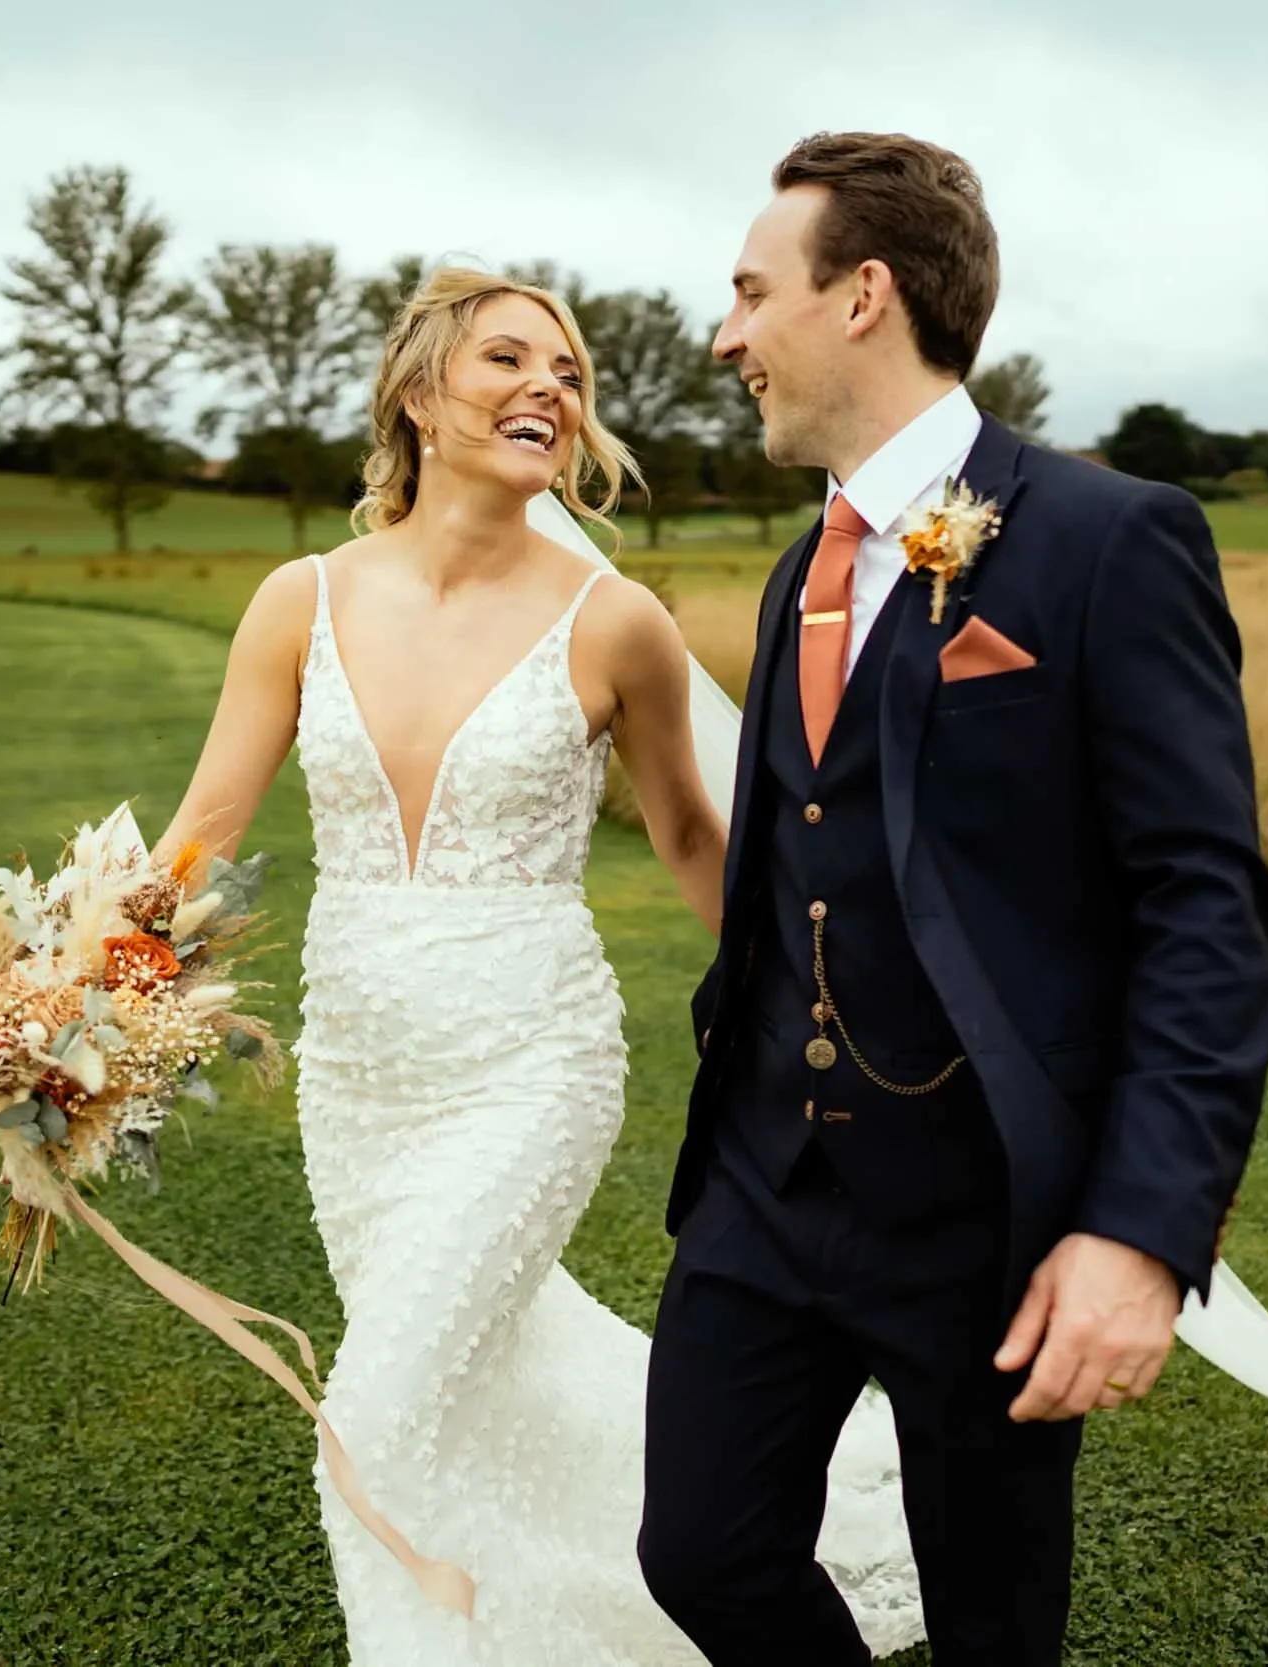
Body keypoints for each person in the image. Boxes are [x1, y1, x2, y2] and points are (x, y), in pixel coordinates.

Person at [635, 132, 1268, 1667]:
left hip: (981, 1213)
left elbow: (1202, 907)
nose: (725, 334)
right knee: (703, 1552)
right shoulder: (798, 561)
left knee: (995, 1625)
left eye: (749, 292)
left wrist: (1141, 1232)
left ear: (863, 294)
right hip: (758, 1188)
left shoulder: (1107, 539)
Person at [152, 266, 928, 1664]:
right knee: (475, 1377)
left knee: (379, 1409)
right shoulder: (299, 601)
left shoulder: (610, 619)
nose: (549, 389)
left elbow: (700, 836)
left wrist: (844, 1006)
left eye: (566, 372)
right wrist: (60, 998)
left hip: (532, 1065)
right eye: (509, 358)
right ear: (417, 390)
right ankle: (612, 1586)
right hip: (361, 1083)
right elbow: (202, 831)